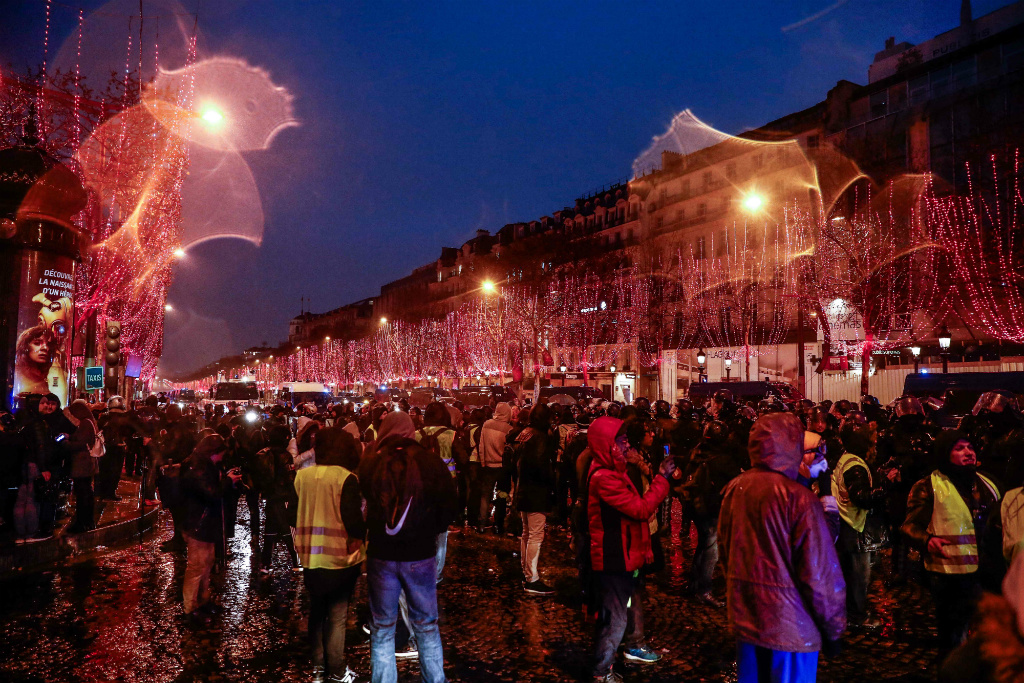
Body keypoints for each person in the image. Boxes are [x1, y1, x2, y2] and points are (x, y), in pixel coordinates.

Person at [718, 412, 846, 683]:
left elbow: (726, 551)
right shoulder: (799, 500)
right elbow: (820, 573)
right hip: (791, 628)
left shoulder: (735, 488)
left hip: (748, 620)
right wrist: (834, 630)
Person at [359, 411, 457, 683]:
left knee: (382, 628)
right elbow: (449, 505)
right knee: (426, 626)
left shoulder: (371, 462)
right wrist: (428, 530)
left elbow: (364, 504)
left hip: (382, 554)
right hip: (420, 554)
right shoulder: (429, 461)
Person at [585, 415, 674, 681]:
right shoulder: (604, 477)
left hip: (626, 553)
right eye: (621, 441)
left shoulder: (614, 470)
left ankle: (626, 651)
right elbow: (641, 509)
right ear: (606, 444)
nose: (626, 446)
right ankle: (601, 673)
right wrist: (661, 479)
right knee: (615, 618)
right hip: (614, 557)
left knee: (624, 610)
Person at [902, 429, 1002, 652]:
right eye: (959, 449)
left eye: (970, 447)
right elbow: (909, 527)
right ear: (945, 454)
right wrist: (927, 541)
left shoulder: (989, 484)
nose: (968, 453)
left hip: (987, 576)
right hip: (949, 579)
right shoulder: (928, 486)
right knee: (953, 641)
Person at [294, 426, 367, 683]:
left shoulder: (302, 477)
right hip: (340, 558)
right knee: (337, 616)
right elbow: (353, 520)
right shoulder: (345, 477)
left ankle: (317, 669)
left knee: (316, 611)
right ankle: (336, 671)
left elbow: (293, 513)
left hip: (311, 557)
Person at [180, 434, 241, 621]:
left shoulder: (204, 465)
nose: (222, 457)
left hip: (205, 523)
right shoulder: (197, 468)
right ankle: (190, 608)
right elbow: (211, 494)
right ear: (213, 453)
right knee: (197, 566)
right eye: (221, 454)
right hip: (198, 523)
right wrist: (228, 480)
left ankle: (203, 601)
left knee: (207, 563)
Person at [831, 423, 881, 629]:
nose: (874, 440)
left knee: (848, 574)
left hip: (844, 524)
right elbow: (862, 497)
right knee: (859, 576)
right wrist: (885, 485)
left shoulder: (845, 459)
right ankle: (857, 617)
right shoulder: (855, 465)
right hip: (855, 526)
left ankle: (846, 613)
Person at [511, 402, 557, 595]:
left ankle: (527, 571)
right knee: (535, 535)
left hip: (523, 488)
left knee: (527, 533)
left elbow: (515, 462)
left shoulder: (524, 433)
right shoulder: (539, 437)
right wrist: (551, 482)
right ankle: (532, 578)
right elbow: (540, 467)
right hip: (535, 491)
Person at [65, 399, 100, 534]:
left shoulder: (85, 423)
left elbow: (82, 443)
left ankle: (82, 523)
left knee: (83, 494)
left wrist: (67, 443)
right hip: (85, 464)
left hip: (83, 465)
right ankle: (87, 522)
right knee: (85, 493)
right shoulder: (88, 422)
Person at [477, 402, 512, 532]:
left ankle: (481, 524)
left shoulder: (486, 425)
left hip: (487, 465)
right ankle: (498, 524)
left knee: (485, 495)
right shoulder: (508, 429)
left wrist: (483, 462)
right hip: (502, 467)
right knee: (501, 496)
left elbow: (481, 446)